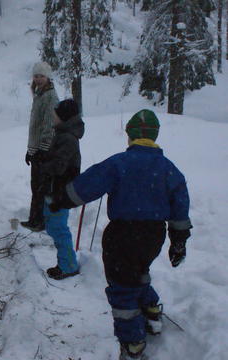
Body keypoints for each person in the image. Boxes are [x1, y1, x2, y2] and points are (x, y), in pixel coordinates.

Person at [50, 109, 192, 360]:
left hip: (123, 234)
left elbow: (87, 186)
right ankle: (150, 308)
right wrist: (178, 241)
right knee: (138, 271)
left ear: (130, 136)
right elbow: (180, 204)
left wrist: (62, 199)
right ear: (155, 136)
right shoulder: (169, 169)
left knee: (122, 285)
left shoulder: (118, 163)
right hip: (153, 236)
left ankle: (133, 343)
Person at [41, 99, 83, 280]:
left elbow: (60, 166)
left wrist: (43, 164)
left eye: (56, 114)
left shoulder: (67, 138)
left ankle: (69, 265)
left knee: (58, 228)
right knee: (54, 226)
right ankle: (66, 262)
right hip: (56, 188)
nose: (53, 116)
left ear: (64, 118)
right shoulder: (63, 134)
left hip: (60, 191)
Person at [21, 62, 59, 232]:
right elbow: (35, 127)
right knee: (35, 186)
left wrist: (43, 149)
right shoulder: (38, 95)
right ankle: (33, 219)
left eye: (41, 76)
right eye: (36, 76)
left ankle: (40, 221)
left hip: (44, 151)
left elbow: (49, 125)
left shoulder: (50, 96)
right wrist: (30, 151)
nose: (38, 79)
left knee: (41, 187)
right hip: (36, 150)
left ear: (47, 77)